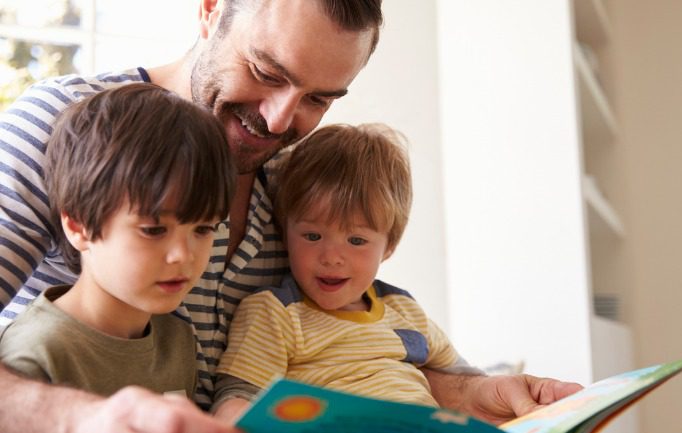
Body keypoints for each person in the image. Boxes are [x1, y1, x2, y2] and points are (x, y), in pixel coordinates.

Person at [0, 1, 580, 432]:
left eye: (318, 99)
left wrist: (468, 395)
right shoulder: (63, 125)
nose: (279, 122)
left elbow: (339, 354)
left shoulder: (299, 187)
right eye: (266, 72)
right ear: (210, 12)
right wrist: (84, 418)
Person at [212, 123, 480, 420]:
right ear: (284, 232)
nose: (332, 258)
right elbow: (237, 400)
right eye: (312, 236)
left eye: (356, 241)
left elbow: (468, 380)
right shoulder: (275, 313)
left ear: (389, 246)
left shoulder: (404, 310)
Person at [0, 83, 234, 399]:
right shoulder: (33, 356)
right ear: (78, 226)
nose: (182, 255)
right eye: (153, 230)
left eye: (204, 229)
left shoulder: (177, 339)